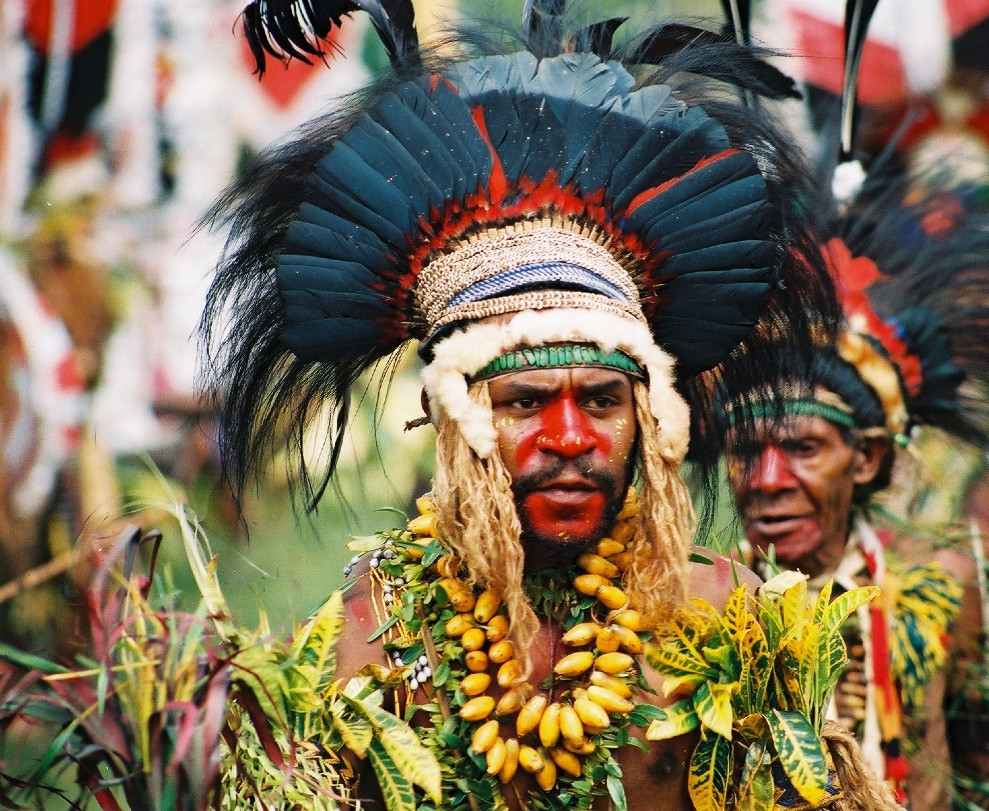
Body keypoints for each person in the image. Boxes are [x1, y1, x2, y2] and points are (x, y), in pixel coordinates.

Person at [199, 3, 900, 808]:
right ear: (454, 419)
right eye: (526, 402)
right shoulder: (367, 643)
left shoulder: (734, 626)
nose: (570, 438)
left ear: (648, 415)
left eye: (602, 399)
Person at [696, 170, 989, 810]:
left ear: (866, 456)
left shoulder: (938, 592)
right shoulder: (698, 599)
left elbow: (978, 769)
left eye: (802, 448)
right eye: (746, 453)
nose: (768, 481)